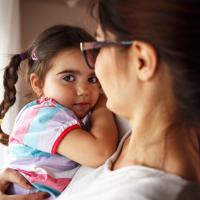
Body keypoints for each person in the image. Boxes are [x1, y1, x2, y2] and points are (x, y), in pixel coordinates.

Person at [1, 0, 200, 199]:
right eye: (68, 77)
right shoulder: (122, 121)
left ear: (142, 61)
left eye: (100, 45)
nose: (95, 67)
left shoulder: (141, 192)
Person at [0, 25, 118, 199]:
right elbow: (99, 153)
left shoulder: (73, 114)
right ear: (38, 84)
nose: (84, 90)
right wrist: (102, 105)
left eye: (92, 79)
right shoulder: (43, 116)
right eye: (68, 78)